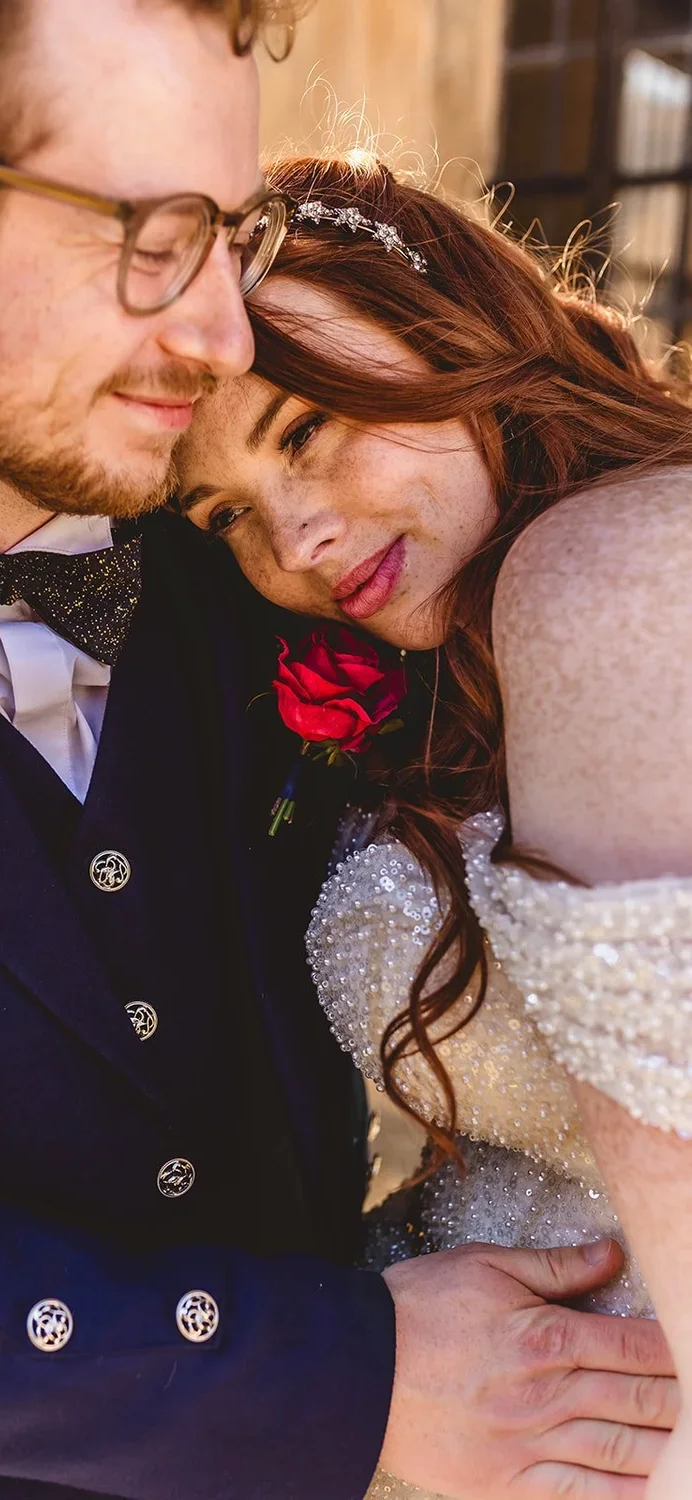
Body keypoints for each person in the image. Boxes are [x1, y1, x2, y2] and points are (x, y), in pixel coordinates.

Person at [0, 4, 674, 1497]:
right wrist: (351, 1378)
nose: (224, 332)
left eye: (224, 234)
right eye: (153, 237)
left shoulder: (276, 560)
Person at [174, 148, 692, 1499]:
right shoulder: (437, 684)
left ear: (442, 314)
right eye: (224, 513)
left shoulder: (608, 580)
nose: (293, 544)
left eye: (308, 433)